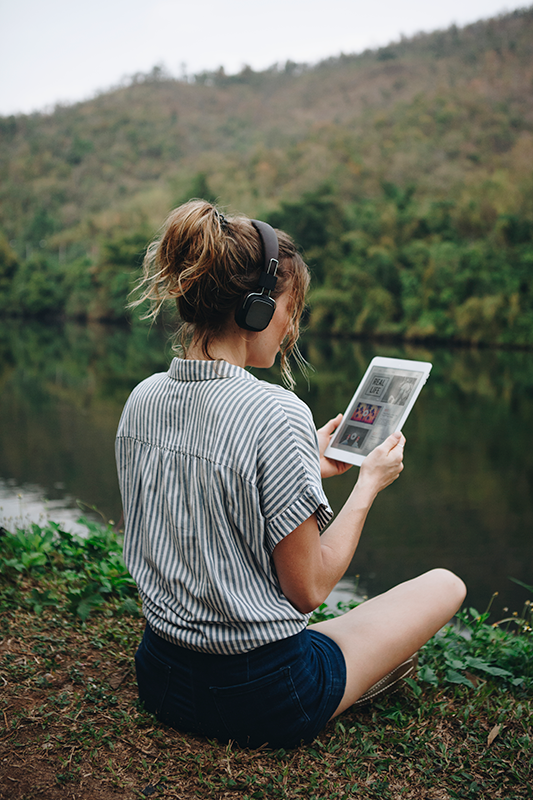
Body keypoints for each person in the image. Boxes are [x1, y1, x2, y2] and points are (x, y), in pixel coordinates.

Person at [115, 200, 466, 750]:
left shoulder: (143, 399)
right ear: (255, 309)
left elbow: (207, 497)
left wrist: (304, 465)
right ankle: (363, 682)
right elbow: (309, 590)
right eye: (288, 308)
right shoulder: (276, 412)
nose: (291, 326)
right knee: (447, 585)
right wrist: (367, 484)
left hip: (159, 677)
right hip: (263, 699)